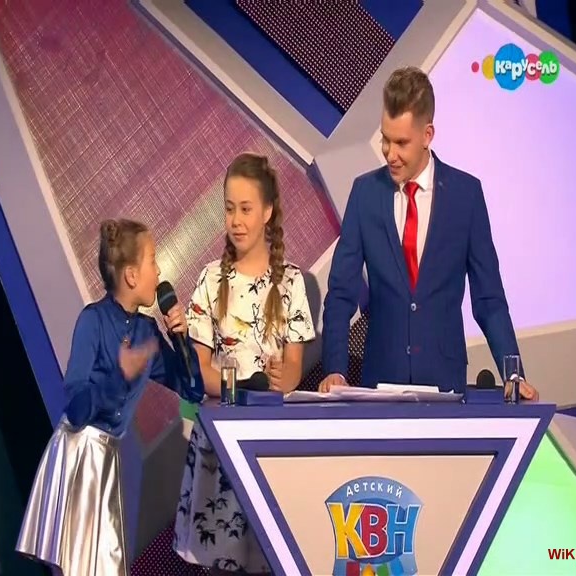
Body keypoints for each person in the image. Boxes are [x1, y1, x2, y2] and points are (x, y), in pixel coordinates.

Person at [319, 66, 538, 400]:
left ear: (427, 135)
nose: (390, 154)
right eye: (385, 140)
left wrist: (513, 374)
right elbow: (340, 293)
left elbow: (489, 299)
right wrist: (336, 368)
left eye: (401, 143)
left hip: (445, 383)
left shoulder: (466, 196)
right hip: (380, 384)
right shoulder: (365, 194)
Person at [16, 218, 204, 576]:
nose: (159, 271)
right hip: (80, 452)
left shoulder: (147, 331)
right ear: (131, 275)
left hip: (109, 458)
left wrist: (181, 338)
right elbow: (76, 408)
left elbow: (191, 390)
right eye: (152, 260)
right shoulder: (93, 322)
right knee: (80, 565)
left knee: (106, 566)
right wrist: (119, 376)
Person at [173, 153, 315, 574]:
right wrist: (242, 387)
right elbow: (199, 369)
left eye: (246, 209)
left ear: (267, 212)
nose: (236, 221)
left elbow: (294, 366)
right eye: (230, 209)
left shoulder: (291, 282)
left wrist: (281, 378)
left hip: (270, 445)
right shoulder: (210, 280)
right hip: (220, 446)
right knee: (223, 562)